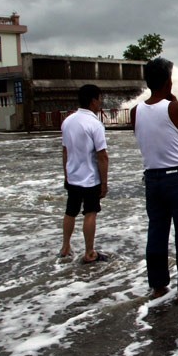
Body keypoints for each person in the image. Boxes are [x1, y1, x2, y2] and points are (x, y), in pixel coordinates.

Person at [131, 57, 178, 302]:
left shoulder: (135, 111)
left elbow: (153, 133)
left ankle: (159, 286)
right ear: (167, 81)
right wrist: (176, 103)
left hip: (152, 179)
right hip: (177, 178)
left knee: (157, 232)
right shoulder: (174, 107)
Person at [60, 84, 109, 264]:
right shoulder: (95, 124)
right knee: (90, 212)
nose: (100, 103)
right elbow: (102, 156)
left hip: (72, 176)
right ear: (93, 101)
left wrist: (66, 173)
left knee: (70, 212)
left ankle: (65, 247)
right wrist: (104, 183)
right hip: (89, 179)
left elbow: (65, 151)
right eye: (99, 99)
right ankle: (89, 252)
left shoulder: (68, 121)